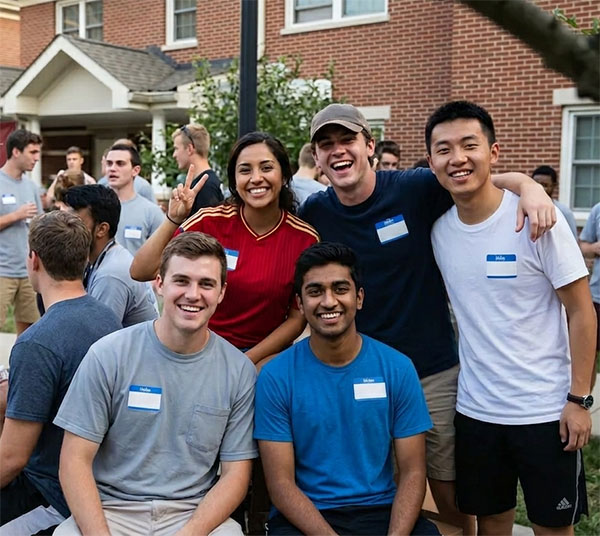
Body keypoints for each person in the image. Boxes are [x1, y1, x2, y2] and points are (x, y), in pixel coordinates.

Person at [298, 103, 556, 532]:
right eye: (326, 146)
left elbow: (478, 182)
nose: (338, 152)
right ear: (318, 159)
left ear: (369, 146)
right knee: (390, 489)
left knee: (452, 494)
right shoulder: (316, 215)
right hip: (366, 375)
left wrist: (530, 187)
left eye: (347, 141)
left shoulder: (414, 188)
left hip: (433, 371)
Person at [427, 100, 595, 535]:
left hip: (545, 411)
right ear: (431, 161)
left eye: (470, 145)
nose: (457, 158)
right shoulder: (440, 231)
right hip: (477, 411)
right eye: (444, 149)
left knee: (552, 527)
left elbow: (581, 311)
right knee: (491, 524)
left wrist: (580, 400)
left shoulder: (538, 219)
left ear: (494, 152)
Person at [53, 232, 257, 536]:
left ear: (222, 292)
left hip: (192, 513)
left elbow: (235, 475)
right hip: (111, 509)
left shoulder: (238, 371)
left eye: (206, 284)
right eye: (181, 280)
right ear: (159, 283)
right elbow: (74, 460)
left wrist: (190, 532)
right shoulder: (109, 355)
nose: (193, 294)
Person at [254, 242, 438, 536]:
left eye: (340, 289)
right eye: (315, 292)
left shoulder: (397, 368)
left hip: (382, 511)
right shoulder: (276, 377)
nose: (329, 301)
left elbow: (413, 471)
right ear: (300, 304)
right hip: (307, 517)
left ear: (359, 297)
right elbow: (281, 484)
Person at [131, 132, 319, 367]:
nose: (256, 178)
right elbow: (141, 271)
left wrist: (244, 362)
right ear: (234, 181)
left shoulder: (304, 238)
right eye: (245, 170)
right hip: (198, 350)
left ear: (283, 176)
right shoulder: (209, 222)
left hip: (261, 360)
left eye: (266, 168)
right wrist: (173, 218)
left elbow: (297, 317)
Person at [0, 211, 121, 535]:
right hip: (102, 482)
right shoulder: (108, 319)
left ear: (33, 260)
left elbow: (12, 459)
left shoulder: (37, 342)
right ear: (84, 259)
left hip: (52, 495)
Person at [64, 185, 158, 327]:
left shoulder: (110, 276)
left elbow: (97, 336)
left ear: (102, 229)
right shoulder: (108, 256)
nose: (66, 230)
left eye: (75, 223)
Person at [0, 128, 43, 335]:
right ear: (16, 152)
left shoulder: (32, 186)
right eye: (32, 152)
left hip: (28, 271)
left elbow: (39, 224)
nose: (36, 158)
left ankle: (18, 367)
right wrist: (15, 215)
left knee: (30, 329)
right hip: (2, 270)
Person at [105, 143, 165, 256]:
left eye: (120, 163)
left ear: (135, 170)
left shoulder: (151, 212)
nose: (112, 168)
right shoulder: (94, 207)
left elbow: (162, 255)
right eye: (109, 163)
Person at [172, 124, 224, 216]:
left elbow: (207, 228)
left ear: (189, 148)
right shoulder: (207, 182)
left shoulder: (206, 186)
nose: (174, 155)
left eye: (176, 148)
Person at [532, 165, 577, 237]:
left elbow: (573, 243)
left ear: (554, 186)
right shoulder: (523, 209)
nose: (540, 188)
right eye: (536, 184)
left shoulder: (564, 212)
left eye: (545, 185)